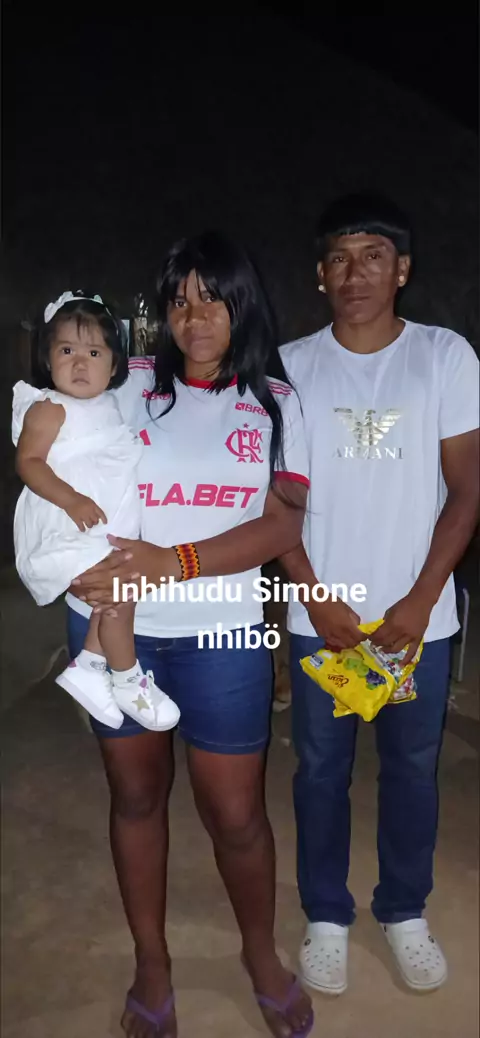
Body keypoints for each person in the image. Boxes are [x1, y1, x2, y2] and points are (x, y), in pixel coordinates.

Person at [67, 232, 314, 1038]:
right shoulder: (130, 385)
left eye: (212, 298)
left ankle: (260, 956)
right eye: (180, 300)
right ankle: (152, 961)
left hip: (223, 636)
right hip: (118, 631)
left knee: (236, 814)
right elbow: (57, 455)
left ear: (243, 304)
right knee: (137, 797)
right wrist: (63, 555)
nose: (195, 316)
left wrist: (174, 561)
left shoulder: (274, 401)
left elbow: (281, 523)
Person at [279, 192, 479, 996]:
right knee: (320, 772)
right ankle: (326, 916)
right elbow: (275, 501)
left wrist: (422, 599)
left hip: (413, 624)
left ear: (402, 270)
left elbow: (467, 490)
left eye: (372, 257)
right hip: (321, 619)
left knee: (412, 771)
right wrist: (314, 599)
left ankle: (404, 910)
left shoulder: (444, 356)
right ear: (320, 274)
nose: (354, 273)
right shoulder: (289, 367)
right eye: (339, 258)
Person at [12, 291, 179, 733]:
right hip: (67, 522)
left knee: (118, 590)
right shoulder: (49, 408)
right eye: (67, 351)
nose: (80, 364)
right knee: (119, 596)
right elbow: (29, 462)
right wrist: (70, 499)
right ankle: (128, 679)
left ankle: (89, 663)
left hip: (101, 525)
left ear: (114, 363)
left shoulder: (107, 404)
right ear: (48, 359)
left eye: (94, 353)